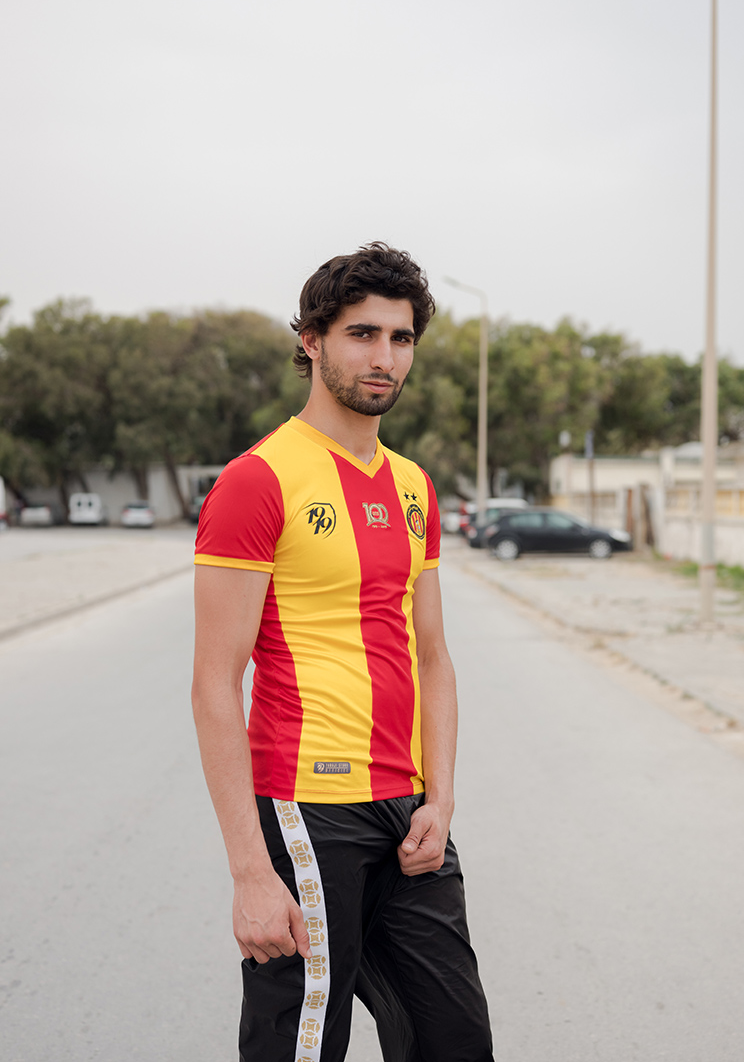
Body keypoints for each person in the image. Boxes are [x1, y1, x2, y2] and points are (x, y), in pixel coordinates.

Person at [191, 242, 494, 1062]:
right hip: (307, 811)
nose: (383, 356)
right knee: (303, 1046)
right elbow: (215, 682)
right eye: (362, 334)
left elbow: (432, 656)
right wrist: (250, 872)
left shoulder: (413, 484)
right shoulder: (258, 480)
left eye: (400, 338)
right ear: (312, 340)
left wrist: (441, 798)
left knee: (455, 1040)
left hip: (409, 813)